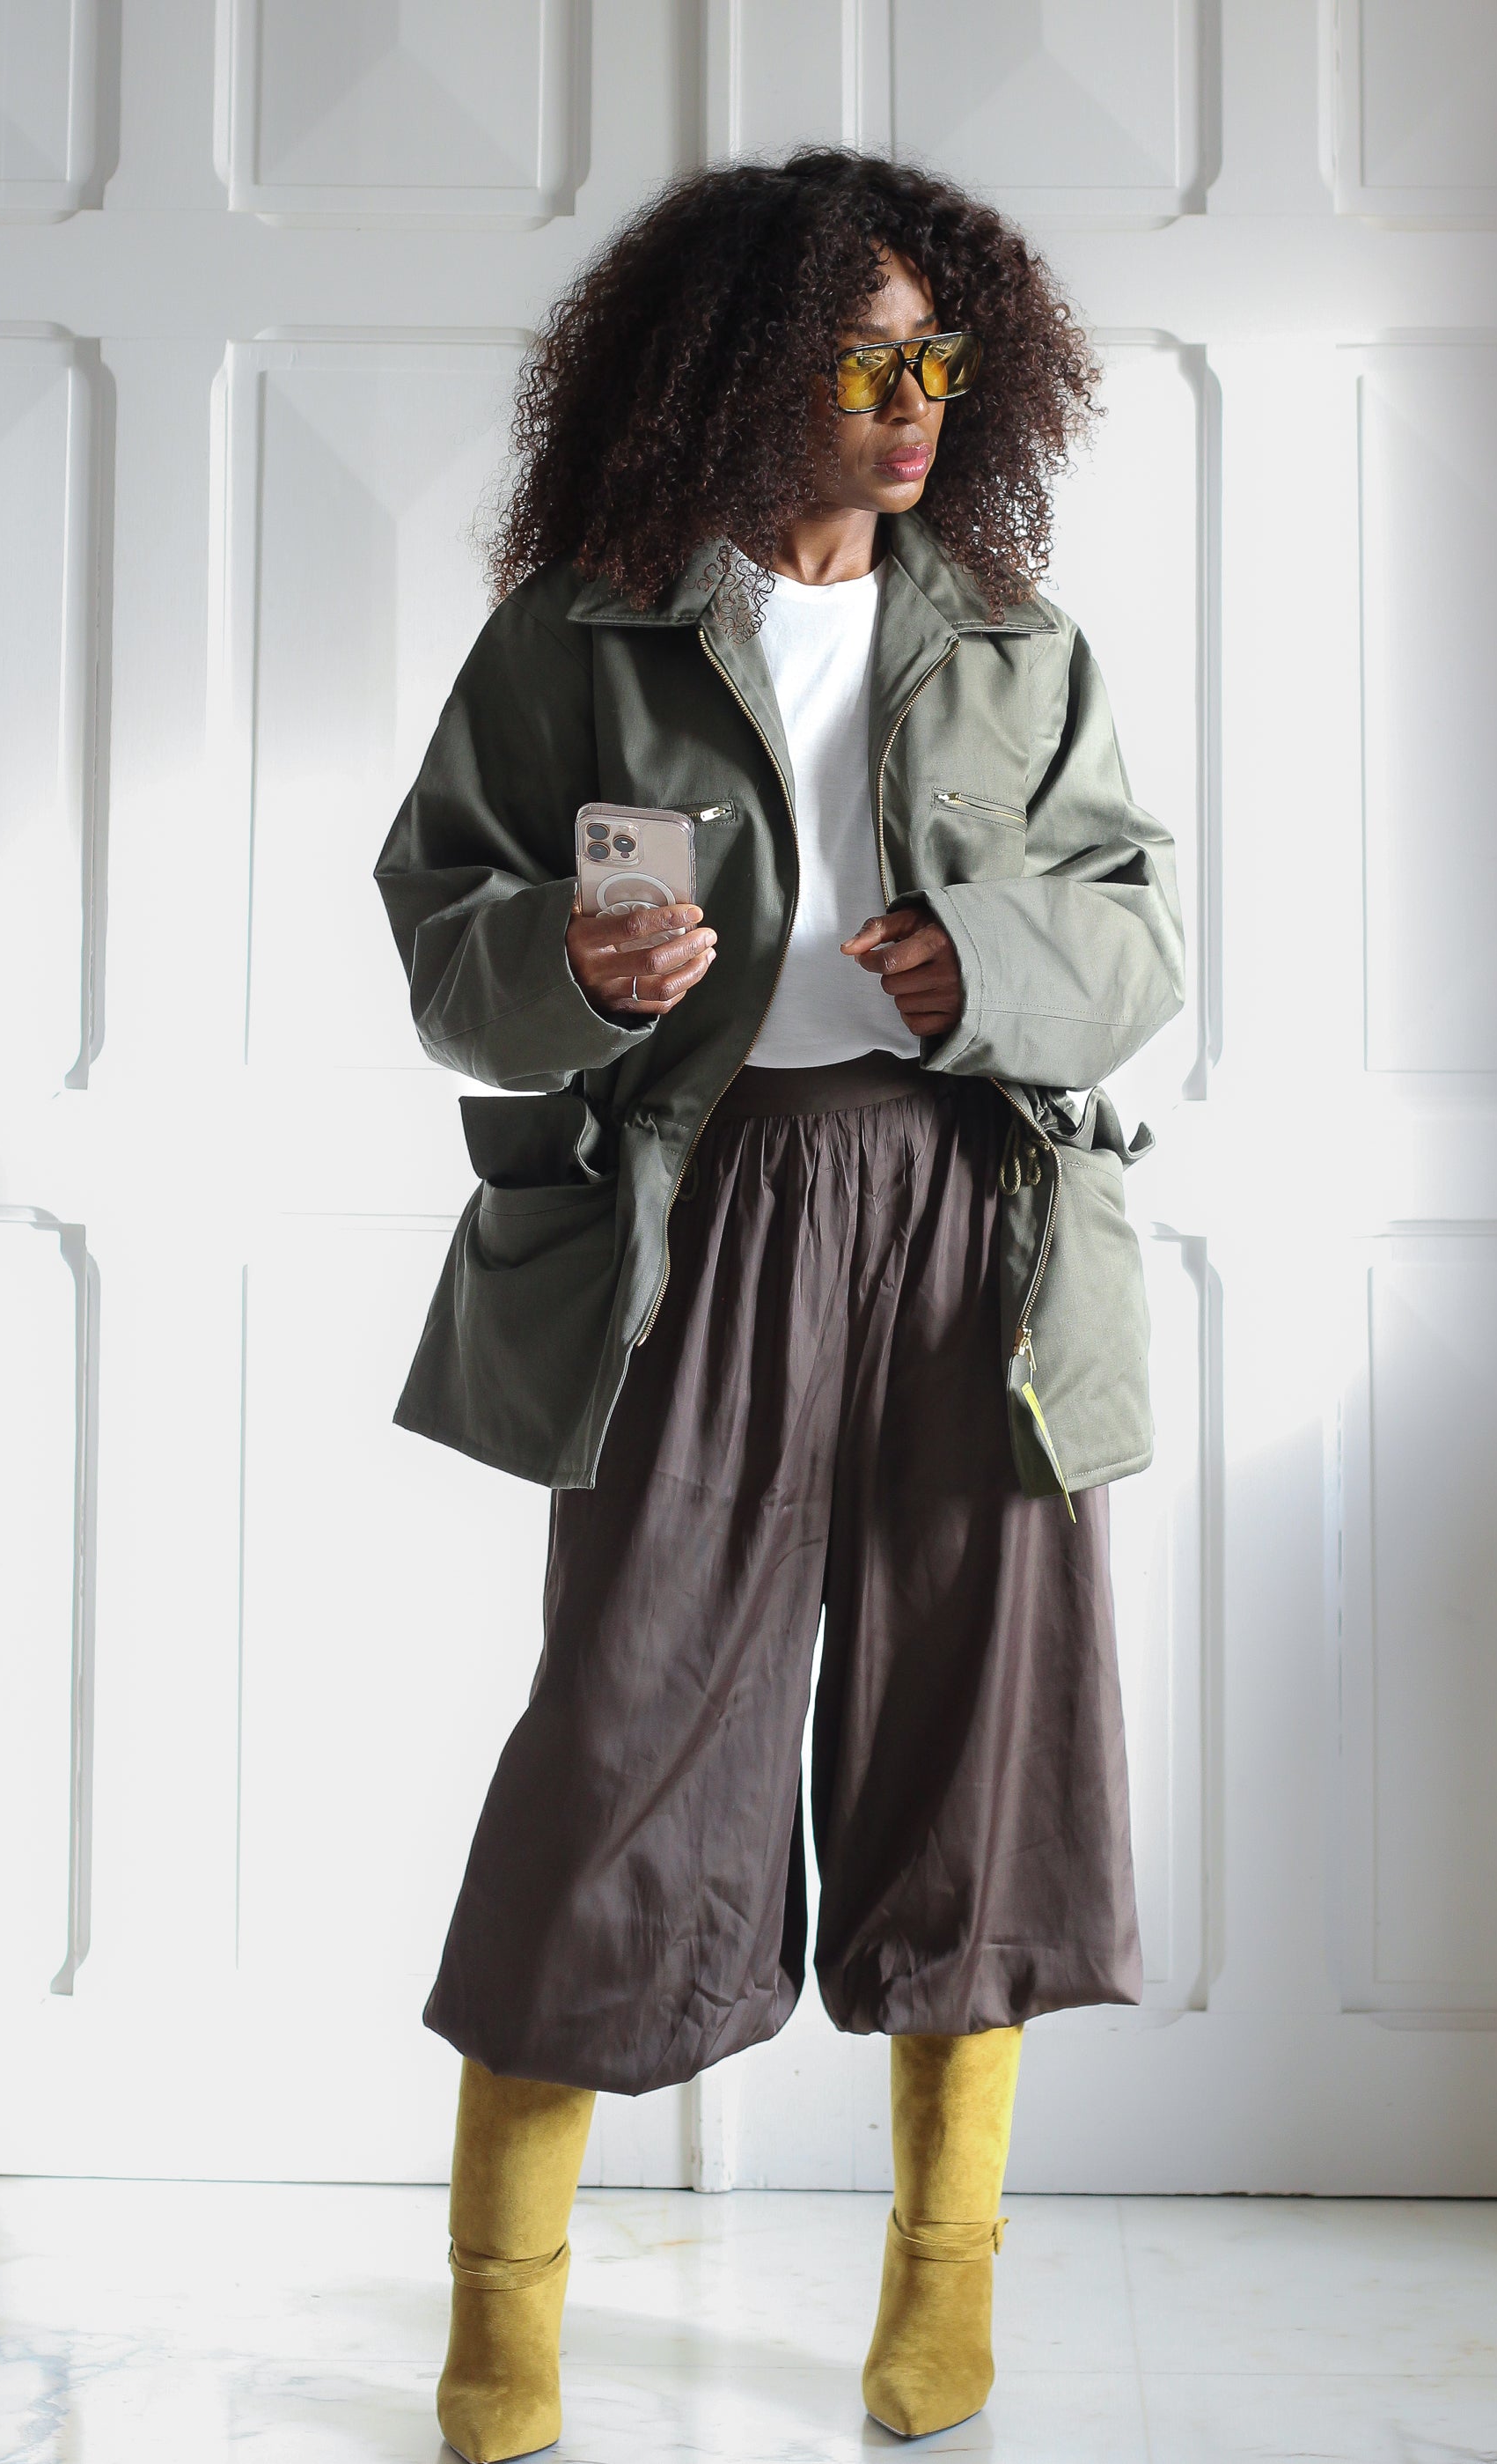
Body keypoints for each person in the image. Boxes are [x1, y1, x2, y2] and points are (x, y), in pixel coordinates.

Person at [374, 146, 1185, 2462]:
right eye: (859, 360)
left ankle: (943, 2283)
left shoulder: (1014, 641)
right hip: (693, 1216)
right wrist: (572, 961)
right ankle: (503, 2316)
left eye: (938, 360)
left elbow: (1135, 934)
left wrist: (982, 964)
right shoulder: (582, 632)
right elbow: (444, 928)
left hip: (974, 1230)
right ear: (731, 373)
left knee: (975, 1745)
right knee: (624, 1737)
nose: (912, 405)